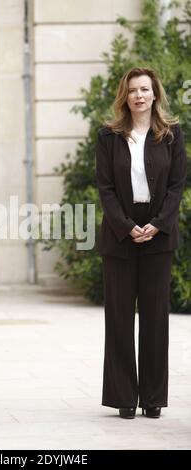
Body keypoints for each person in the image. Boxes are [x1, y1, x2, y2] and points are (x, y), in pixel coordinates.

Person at [96, 67, 187, 419]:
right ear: (125, 96)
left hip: (158, 236)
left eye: (145, 89)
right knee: (119, 318)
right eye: (133, 90)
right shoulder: (109, 136)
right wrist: (127, 225)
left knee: (154, 318)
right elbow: (104, 186)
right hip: (120, 235)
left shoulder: (172, 134)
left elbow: (178, 184)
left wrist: (158, 224)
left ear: (155, 94)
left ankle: (153, 398)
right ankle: (122, 397)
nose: (139, 95)